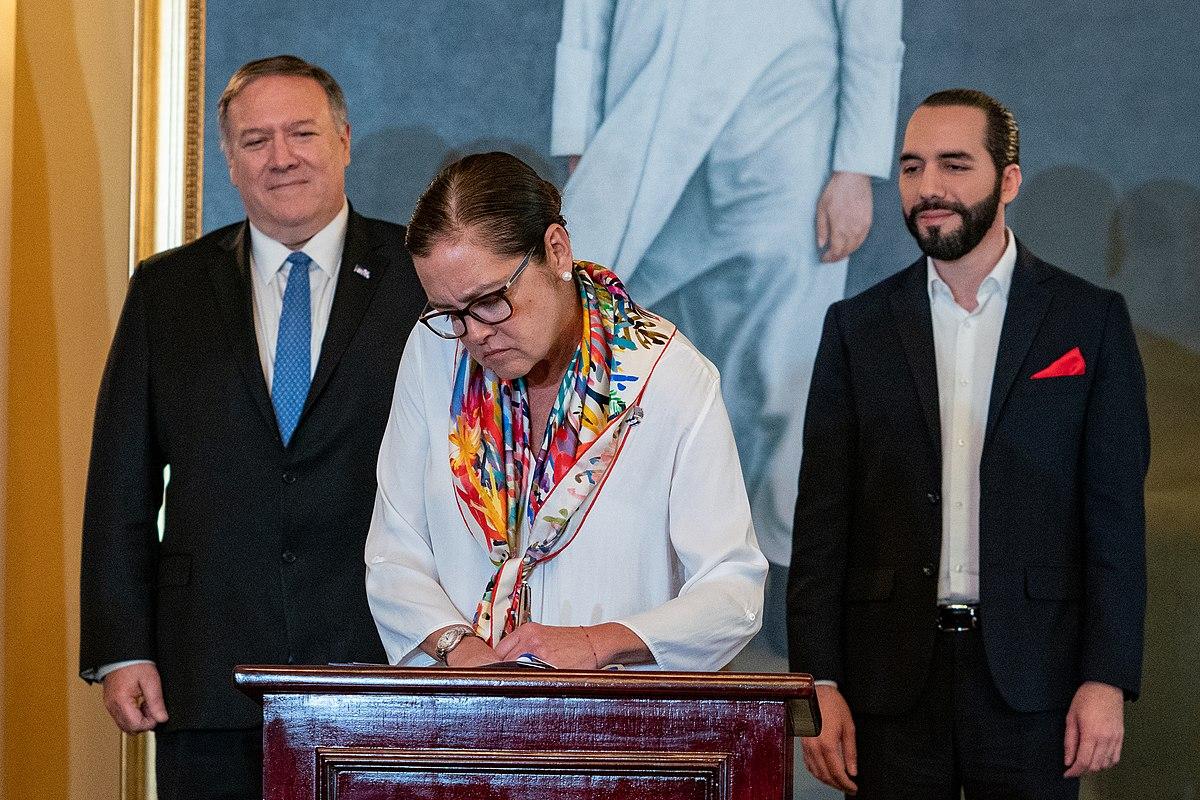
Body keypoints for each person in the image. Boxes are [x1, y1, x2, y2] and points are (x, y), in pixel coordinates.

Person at [79, 55, 425, 799]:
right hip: (208, 673)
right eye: (256, 140)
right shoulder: (166, 290)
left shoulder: (419, 278)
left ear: (343, 141)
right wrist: (120, 649)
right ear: (230, 160)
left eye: (301, 133)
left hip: (387, 666)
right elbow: (120, 484)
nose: (282, 157)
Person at [788, 89, 1148, 798]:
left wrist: (1106, 677)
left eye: (954, 165)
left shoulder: (1090, 322)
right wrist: (817, 682)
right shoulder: (854, 328)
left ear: (1007, 180)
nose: (930, 189)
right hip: (886, 687)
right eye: (913, 167)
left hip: (1035, 681)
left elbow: (1115, 520)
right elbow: (822, 522)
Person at [365, 151, 766, 670]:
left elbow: (732, 590)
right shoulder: (434, 353)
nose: (475, 335)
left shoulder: (668, 378)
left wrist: (596, 643)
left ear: (555, 251)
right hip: (463, 723)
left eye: (490, 300)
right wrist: (457, 649)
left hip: (616, 728)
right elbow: (394, 551)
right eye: (452, 313)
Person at [551, 0, 904, 582]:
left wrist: (854, 168)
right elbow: (588, 12)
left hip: (786, 120)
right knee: (634, 365)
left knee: (777, 372)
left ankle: (778, 576)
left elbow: (870, 21)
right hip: (647, 109)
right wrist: (580, 130)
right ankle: (643, 573)